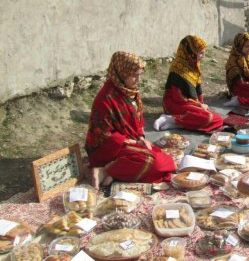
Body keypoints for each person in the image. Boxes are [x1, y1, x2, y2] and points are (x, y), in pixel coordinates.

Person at [85, 51, 176, 189]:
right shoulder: (105, 99)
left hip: (130, 143)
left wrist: (140, 137)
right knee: (156, 164)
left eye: (140, 74)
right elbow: (102, 135)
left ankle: (114, 171)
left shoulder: (130, 92)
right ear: (122, 73)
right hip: (109, 149)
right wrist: (133, 142)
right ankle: (104, 169)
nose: (138, 79)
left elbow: (138, 121)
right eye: (134, 75)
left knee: (167, 160)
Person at [162, 35, 223, 132]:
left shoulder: (193, 64)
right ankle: (172, 119)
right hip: (174, 103)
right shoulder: (177, 68)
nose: (203, 56)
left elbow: (198, 88)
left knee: (217, 119)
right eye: (201, 53)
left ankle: (179, 122)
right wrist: (199, 106)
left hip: (188, 102)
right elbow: (178, 97)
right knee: (209, 118)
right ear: (191, 53)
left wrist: (201, 104)